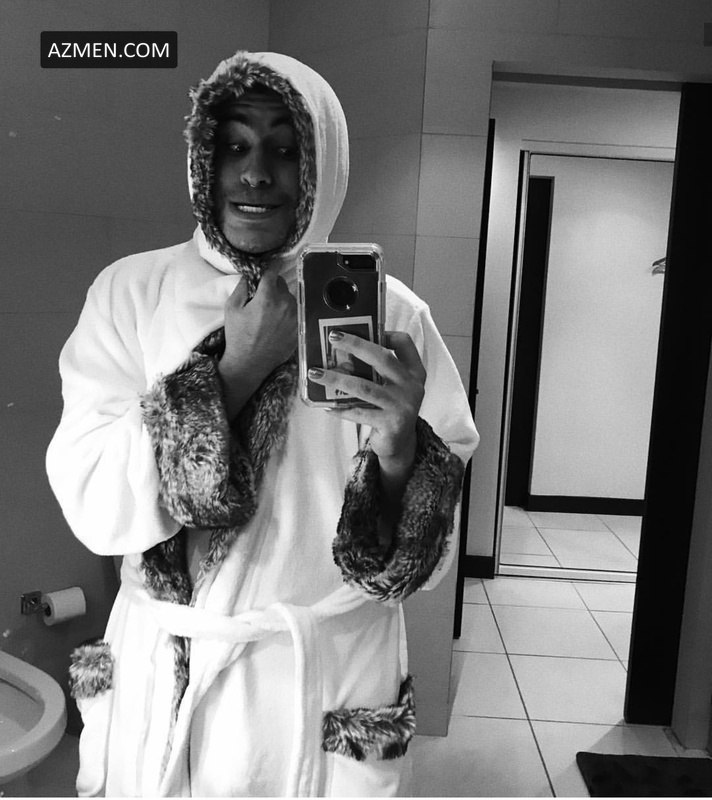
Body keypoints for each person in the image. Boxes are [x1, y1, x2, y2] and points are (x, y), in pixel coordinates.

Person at [46, 50, 479, 797]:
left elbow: (423, 565)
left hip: (319, 676)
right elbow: (94, 504)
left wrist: (402, 448)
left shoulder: (395, 317)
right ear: (204, 161)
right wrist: (236, 370)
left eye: (285, 150)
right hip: (163, 674)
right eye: (234, 146)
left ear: (321, 168)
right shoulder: (132, 293)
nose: (255, 174)